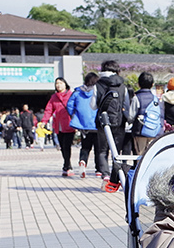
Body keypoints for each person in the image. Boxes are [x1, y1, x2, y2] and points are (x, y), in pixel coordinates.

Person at [93, 61, 131, 190]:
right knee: (117, 151)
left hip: (102, 122)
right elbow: (126, 105)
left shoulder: (97, 84)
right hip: (119, 122)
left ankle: (105, 175)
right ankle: (117, 178)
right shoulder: (122, 85)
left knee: (102, 150)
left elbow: (93, 105)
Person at [67, 72, 99, 178]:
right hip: (97, 124)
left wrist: (74, 115)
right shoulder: (97, 91)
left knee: (85, 147)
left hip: (83, 125)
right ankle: (99, 169)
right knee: (99, 148)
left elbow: (69, 105)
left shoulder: (77, 92)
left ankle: (83, 161)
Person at [41, 78, 75, 176]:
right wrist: (44, 121)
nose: (58, 85)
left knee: (66, 145)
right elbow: (48, 110)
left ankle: (67, 166)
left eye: (60, 83)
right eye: (57, 83)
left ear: (65, 84)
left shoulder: (71, 95)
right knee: (62, 147)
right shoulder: (54, 97)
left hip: (69, 124)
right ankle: (67, 165)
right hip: (58, 126)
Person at [128, 71, 163, 158]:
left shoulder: (137, 98)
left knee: (140, 156)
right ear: (152, 85)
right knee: (151, 156)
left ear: (139, 84)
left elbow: (131, 116)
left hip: (140, 131)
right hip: (154, 132)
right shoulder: (156, 99)